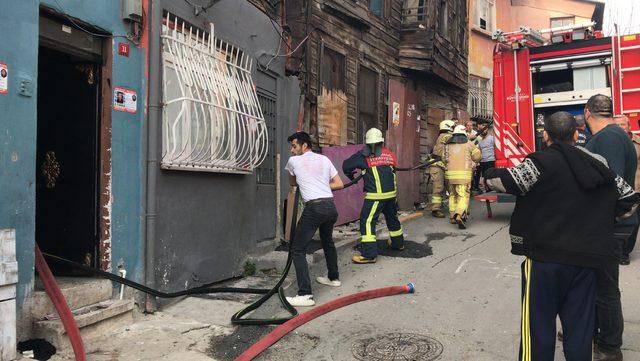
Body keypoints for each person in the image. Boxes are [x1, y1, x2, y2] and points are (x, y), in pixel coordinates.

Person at [483, 111, 639, 361]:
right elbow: (629, 200)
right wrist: (601, 219)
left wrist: (487, 175)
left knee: (538, 329)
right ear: (576, 135)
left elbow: (509, 183)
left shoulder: (538, 163)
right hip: (586, 262)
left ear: (545, 136)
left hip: (544, 261)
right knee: (580, 331)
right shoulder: (599, 164)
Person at [584, 95, 638, 361]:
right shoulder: (612, 136)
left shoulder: (608, 139)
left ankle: (609, 346)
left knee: (605, 288)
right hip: (604, 224)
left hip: (607, 225)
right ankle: (589, 330)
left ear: (586, 113)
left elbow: (611, 185)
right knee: (595, 285)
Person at [284, 131, 344, 307]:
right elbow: (339, 183)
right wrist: (321, 185)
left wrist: (312, 185)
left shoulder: (293, 161)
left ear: (304, 146)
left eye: (294, 146)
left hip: (314, 207)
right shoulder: (324, 159)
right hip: (330, 207)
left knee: (297, 250)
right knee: (327, 241)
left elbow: (293, 183)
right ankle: (333, 278)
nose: (292, 150)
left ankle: (305, 294)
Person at [343, 128, 405, 264]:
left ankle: (369, 255)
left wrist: (350, 173)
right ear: (381, 141)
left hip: (376, 196)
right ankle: (398, 243)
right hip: (391, 195)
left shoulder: (363, 156)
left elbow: (346, 165)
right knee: (392, 218)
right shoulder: (389, 154)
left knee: (367, 221)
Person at [436, 125, 481, 229]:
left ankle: (452, 216)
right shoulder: (469, 144)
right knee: (463, 195)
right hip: (463, 176)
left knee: (452, 195)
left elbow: (443, 158)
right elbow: (478, 157)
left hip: (449, 176)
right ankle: (459, 214)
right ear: (464, 133)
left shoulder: (447, 145)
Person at [614, 114, 640, 265]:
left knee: (635, 223)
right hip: (620, 189)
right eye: (616, 125)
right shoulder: (611, 142)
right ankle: (622, 252)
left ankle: (625, 250)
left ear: (629, 126)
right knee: (625, 220)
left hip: (637, 188)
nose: (619, 128)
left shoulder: (638, 142)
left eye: (622, 125)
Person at [428, 119, 455, 218]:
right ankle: (435, 209)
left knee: (451, 188)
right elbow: (456, 139)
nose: (454, 129)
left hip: (445, 166)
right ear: (448, 127)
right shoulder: (445, 136)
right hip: (437, 166)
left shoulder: (445, 137)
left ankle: (457, 209)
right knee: (438, 188)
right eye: (453, 127)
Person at [472, 122, 495, 193]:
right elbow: (480, 152)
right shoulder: (480, 141)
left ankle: (491, 190)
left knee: (490, 177)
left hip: (491, 160)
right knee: (485, 177)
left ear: (487, 129)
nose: (483, 131)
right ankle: (488, 190)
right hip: (482, 162)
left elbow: (495, 148)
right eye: (481, 130)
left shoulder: (492, 138)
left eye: (484, 130)